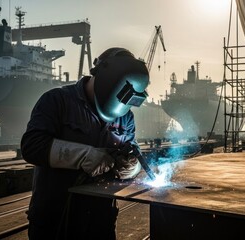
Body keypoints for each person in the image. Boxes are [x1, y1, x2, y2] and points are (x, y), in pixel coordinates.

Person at [20, 47, 150, 239]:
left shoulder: (125, 117)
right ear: (102, 77)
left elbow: (133, 151)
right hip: (54, 222)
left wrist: (131, 167)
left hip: (100, 222)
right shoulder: (57, 100)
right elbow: (32, 147)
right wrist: (82, 155)